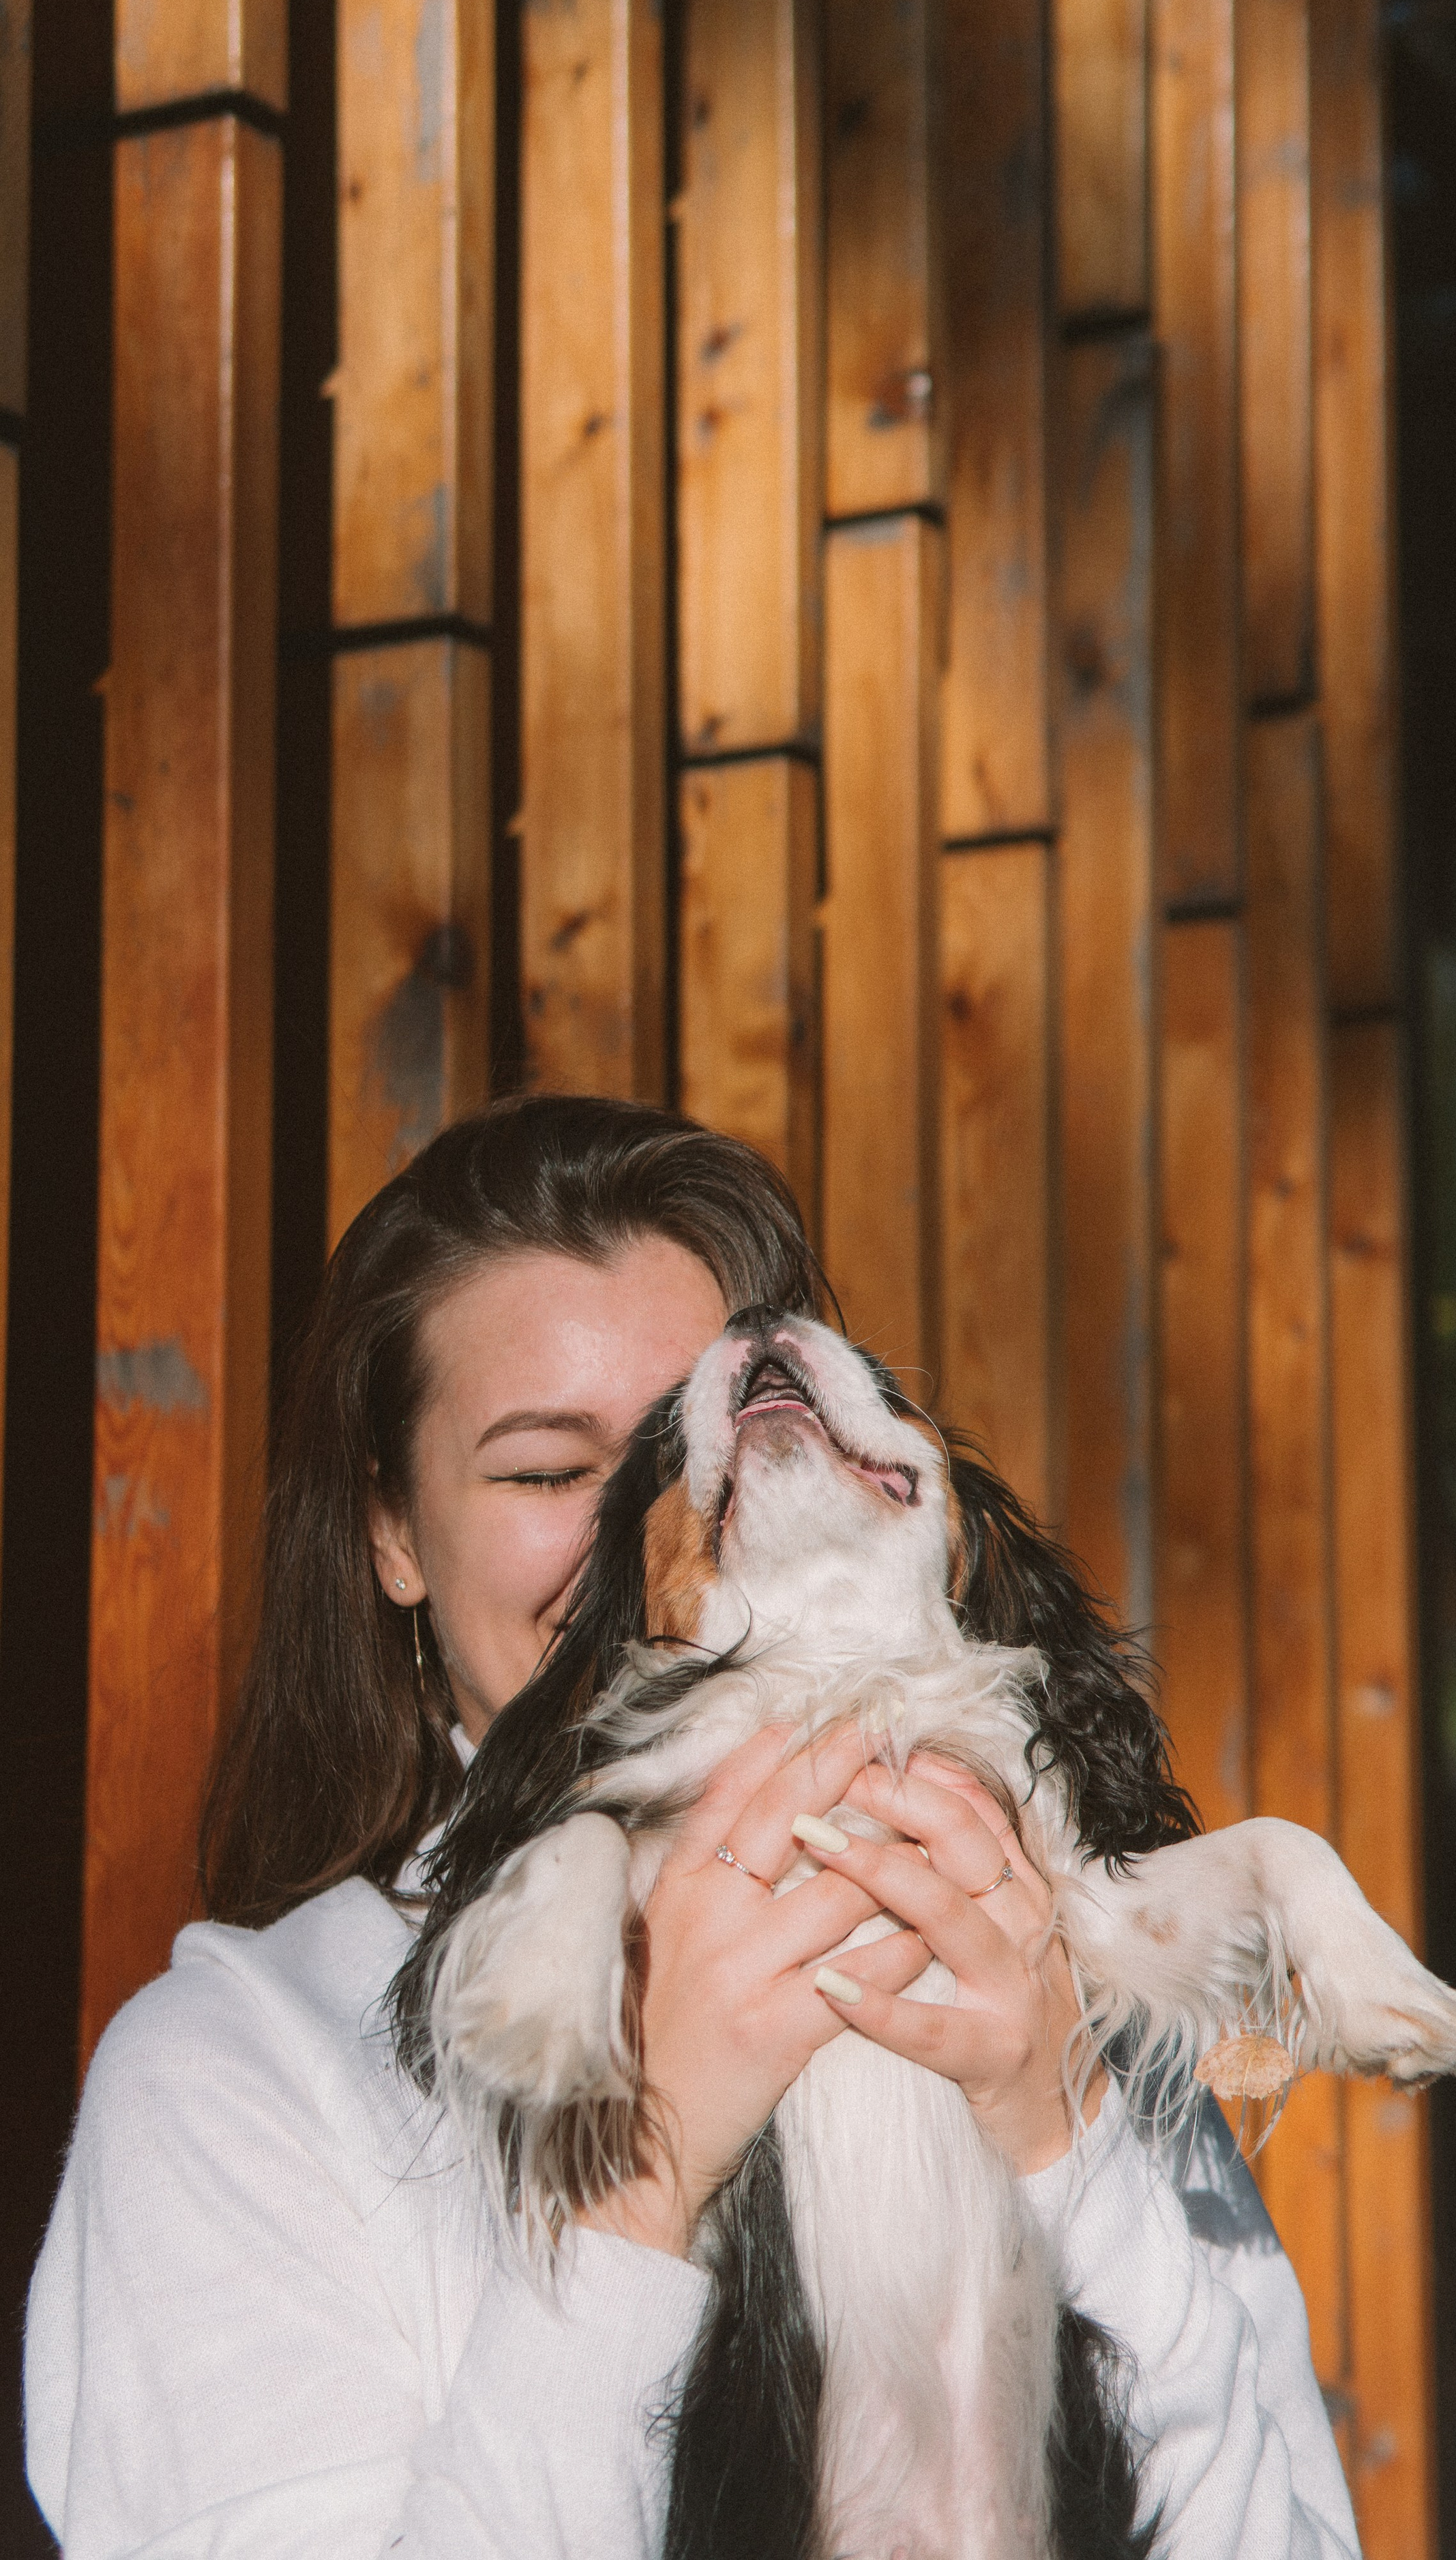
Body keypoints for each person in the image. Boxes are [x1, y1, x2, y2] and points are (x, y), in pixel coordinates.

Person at [26, 1095, 1360, 2557]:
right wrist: (641, 2182)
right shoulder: (241, 2076)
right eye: (545, 1471)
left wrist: (1072, 2143)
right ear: (391, 1534)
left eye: (731, 1429)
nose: (655, 1516)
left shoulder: (1034, 1959)